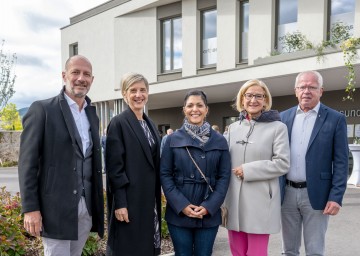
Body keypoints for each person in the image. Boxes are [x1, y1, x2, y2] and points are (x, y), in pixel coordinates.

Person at [18, 55, 104, 255]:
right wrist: (30, 208)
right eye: (76, 72)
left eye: (86, 74)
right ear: (64, 75)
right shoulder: (42, 110)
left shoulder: (92, 114)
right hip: (55, 209)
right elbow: (27, 163)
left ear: (92, 79)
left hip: (86, 208)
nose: (81, 78)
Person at [280, 70, 349, 256]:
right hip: (286, 193)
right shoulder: (282, 118)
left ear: (321, 91)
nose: (306, 91)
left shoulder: (335, 119)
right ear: (295, 90)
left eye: (312, 87)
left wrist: (336, 196)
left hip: (318, 194)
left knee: (315, 251)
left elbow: (341, 162)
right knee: (288, 250)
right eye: (302, 87)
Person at [223, 79, 290, 256]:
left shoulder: (278, 128)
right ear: (242, 99)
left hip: (261, 200)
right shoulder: (232, 128)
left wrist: (249, 170)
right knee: (237, 251)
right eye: (249, 95)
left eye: (259, 96)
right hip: (233, 200)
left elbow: (282, 163)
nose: (253, 100)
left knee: (256, 253)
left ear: (265, 100)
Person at [160, 90, 231, 256]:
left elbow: (224, 177)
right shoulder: (172, 140)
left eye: (199, 105)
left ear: (206, 109)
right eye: (190, 105)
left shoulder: (220, 140)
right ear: (184, 109)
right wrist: (181, 205)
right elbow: (165, 175)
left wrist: (209, 206)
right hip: (179, 211)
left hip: (208, 211)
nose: (195, 109)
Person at [105, 72, 162, 255]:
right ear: (124, 94)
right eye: (133, 90)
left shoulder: (150, 124)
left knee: (147, 246)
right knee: (129, 247)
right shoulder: (118, 123)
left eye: (143, 90)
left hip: (149, 199)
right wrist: (120, 202)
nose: (139, 95)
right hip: (130, 200)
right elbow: (115, 168)